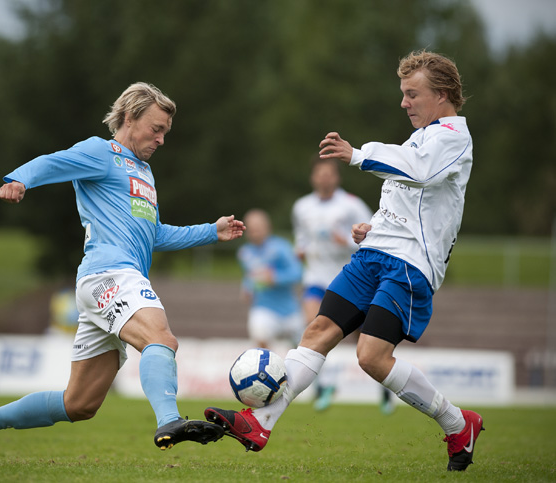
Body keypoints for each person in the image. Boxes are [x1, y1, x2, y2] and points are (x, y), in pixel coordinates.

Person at [205, 50, 483, 472]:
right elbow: (408, 199)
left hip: (409, 265)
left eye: (412, 94)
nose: (404, 103)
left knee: (371, 357)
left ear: (442, 94)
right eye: (403, 94)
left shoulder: (453, 137)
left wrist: (357, 154)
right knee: (317, 330)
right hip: (374, 255)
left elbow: (419, 173)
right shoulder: (422, 136)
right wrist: (372, 227)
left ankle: (457, 423)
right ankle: (259, 423)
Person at [0, 82, 245, 464]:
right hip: (111, 274)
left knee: (80, 403)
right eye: (156, 129)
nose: (161, 139)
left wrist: (211, 230)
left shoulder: (144, 173)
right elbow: (54, 161)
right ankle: (170, 421)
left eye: (165, 133)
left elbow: (152, 233)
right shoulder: (101, 152)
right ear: (128, 117)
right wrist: (19, 179)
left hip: (107, 282)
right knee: (161, 339)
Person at [292, 156, 392, 412]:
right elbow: (301, 237)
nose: (324, 178)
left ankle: (385, 390)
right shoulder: (302, 206)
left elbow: (373, 237)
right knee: (312, 328)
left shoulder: (352, 205)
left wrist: (345, 241)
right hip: (315, 278)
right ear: (313, 177)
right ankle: (324, 387)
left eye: (329, 174)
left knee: (364, 341)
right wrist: (300, 250)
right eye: (320, 174)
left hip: (349, 280)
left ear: (336, 177)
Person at [238, 209, 303, 349]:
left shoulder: (282, 247)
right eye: (251, 227)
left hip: (290, 310)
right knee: (260, 337)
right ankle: (269, 368)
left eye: (257, 226)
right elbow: (249, 276)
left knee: (301, 350)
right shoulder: (244, 252)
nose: (254, 231)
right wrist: (247, 287)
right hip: (263, 308)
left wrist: (275, 278)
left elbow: (297, 273)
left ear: (267, 227)